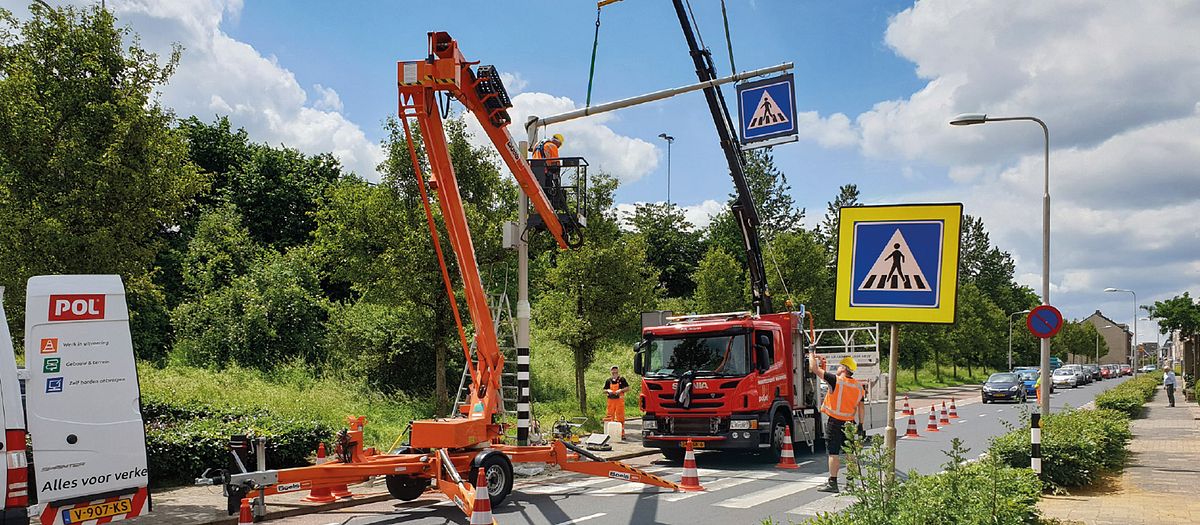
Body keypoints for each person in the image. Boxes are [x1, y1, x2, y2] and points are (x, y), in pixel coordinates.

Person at [810, 353, 865, 493]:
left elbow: (813, 368)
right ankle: (850, 484)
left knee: (833, 453)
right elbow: (861, 407)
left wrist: (811, 352)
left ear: (845, 368)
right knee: (850, 453)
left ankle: (833, 483)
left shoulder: (836, 381)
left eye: (840, 366)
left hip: (835, 422)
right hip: (850, 423)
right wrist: (861, 425)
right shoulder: (859, 387)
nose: (838, 368)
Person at [603, 366, 630, 438]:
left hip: (619, 401)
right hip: (610, 401)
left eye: (616, 372)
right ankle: (609, 433)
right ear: (611, 372)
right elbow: (604, 390)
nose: (614, 373)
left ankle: (621, 434)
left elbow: (627, 388)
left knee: (620, 417)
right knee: (609, 417)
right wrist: (608, 390)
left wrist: (620, 390)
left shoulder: (622, 379)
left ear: (618, 371)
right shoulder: (608, 380)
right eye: (613, 372)